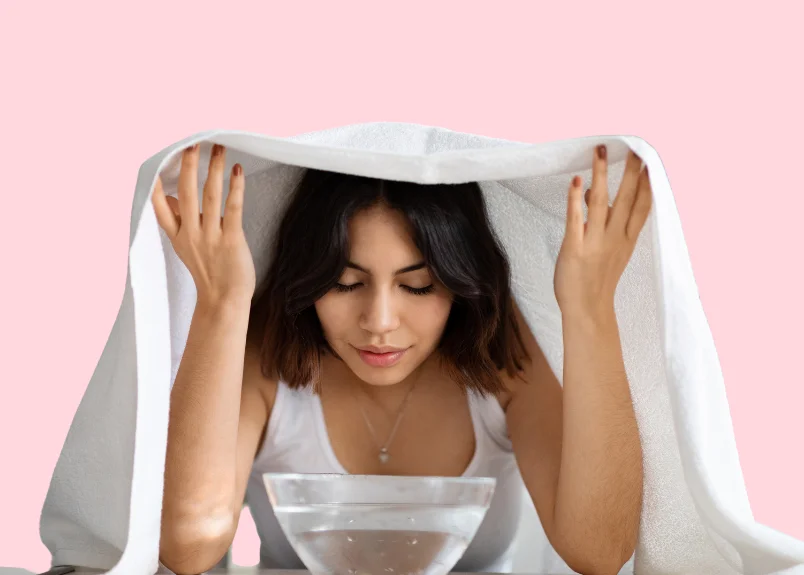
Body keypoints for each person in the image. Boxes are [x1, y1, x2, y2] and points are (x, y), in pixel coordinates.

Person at [151, 142, 651, 575]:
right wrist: (221, 303)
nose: (380, 321)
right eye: (346, 283)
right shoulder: (268, 350)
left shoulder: (502, 353)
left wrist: (591, 309)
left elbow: (600, 553)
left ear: (460, 283)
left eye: (418, 285)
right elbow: (187, 545)